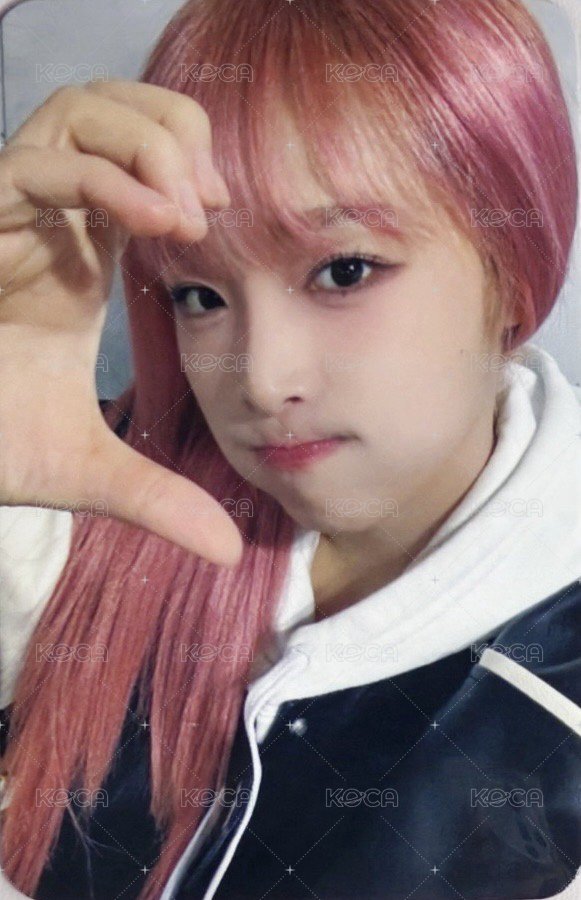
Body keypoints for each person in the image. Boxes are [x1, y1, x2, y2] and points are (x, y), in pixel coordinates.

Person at [0, 0, 579, 897]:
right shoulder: (84, 499)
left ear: (510, 270)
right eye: (198, 295)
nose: (261, 382)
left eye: (343, 270)